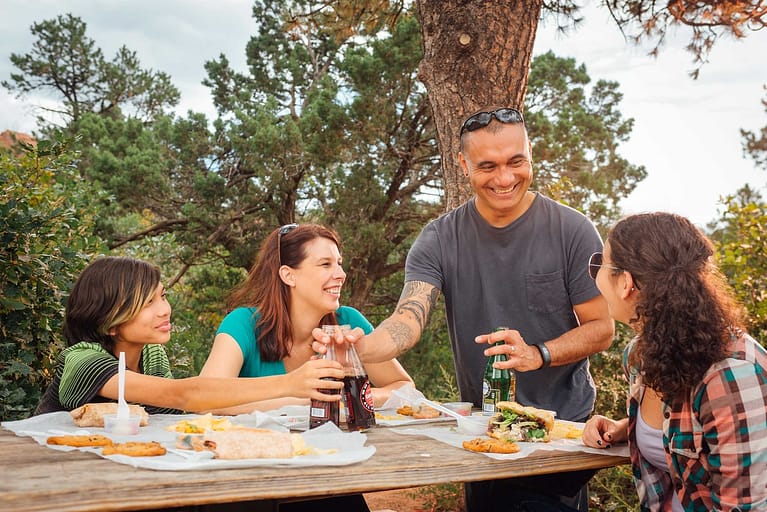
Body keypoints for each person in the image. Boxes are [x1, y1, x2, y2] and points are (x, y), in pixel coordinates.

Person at [314, 107, 614, 511]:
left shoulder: (572, 230)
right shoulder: (438, 239)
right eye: (487, 166)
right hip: (482, 429)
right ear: (463, 165)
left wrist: (537, 354)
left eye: (516, 162)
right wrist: (354, 351)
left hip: (558, 435)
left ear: (530, 153)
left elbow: (601, 328)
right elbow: (409, 318)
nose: (504, 178)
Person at [582, 212, 767, 511]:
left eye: (600, 264)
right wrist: (627, 428)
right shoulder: (640, 356)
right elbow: (696, 430)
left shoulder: (732, 374)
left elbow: (746, 506)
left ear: (626, 283)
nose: (595, 276)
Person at [35, 256, 346, 416]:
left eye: (163, 297)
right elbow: (185, 396)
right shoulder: (82, 361)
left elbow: (182, 410)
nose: (165, 310)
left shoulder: (151, 355)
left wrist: (294, 400)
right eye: (149, 303)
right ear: (112, 324)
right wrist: (288, 383)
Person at [200, 223, 413, 413]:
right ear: (288, 275)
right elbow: (204, 400)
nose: (341, 274)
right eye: (325, 264)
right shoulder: (242, 324)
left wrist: (354, 399)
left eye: (339, 263)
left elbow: (405, 388)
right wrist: (306, 400)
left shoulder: (349, 322)